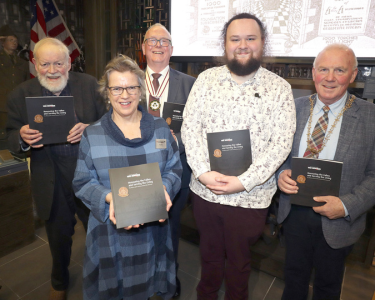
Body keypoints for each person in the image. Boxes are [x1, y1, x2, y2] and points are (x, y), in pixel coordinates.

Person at [181, 13, 296, 299]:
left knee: (240, 263)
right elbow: (190, 128)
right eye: (235, 39)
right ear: (225, 44)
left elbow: (281, 145)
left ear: (262, 43)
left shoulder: (280, 89)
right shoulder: (206, 80)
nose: (242, 45)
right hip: (206, 194)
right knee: (208, 258)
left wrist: (244, 182)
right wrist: (203, 173)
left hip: (251, 198)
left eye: (250, 38)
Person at [276, 43, 375, 300]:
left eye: (339, 70)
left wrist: (345, 205)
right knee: (293, 281)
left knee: (328, 288)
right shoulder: (291, 108)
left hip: (338, 219)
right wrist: (282, 174)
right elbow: (278, 155)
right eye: (323, 69)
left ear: (353, 75)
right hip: (294, 213)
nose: (329, 77)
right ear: (313, 73)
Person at [73, 55, 182, 300]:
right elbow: (81, 182)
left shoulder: (161, 128)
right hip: (109, 233)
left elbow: (174, 169)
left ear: (141, 91)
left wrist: (163, 189)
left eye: (131, 87)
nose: (125, 95)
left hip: (153, 229)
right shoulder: (93, 134)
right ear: (107, 92)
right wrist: (111, 198)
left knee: (148, 287)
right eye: (117, 88)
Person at [6, 37, 107, 300]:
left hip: (89, 176)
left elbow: (111, 119)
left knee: (99, 229)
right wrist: (21, 137)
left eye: (59, 63)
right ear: (34, 64)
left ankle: (104, 274)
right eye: (45, 64)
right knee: (59, 236)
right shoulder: (20, 94)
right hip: (51, 178)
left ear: (69, 63)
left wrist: (91, 129)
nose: (52, 70)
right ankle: (59, 280)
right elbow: (7, 135)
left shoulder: (90, 85)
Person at [141, 23, 196, 297]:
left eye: (164, 41)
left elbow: (198, 126)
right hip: (139, 171)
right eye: (152, 41)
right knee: (140, 230)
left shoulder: (190, 84)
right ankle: (144, 278)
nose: (159, 46)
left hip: (176, 172)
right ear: (143, 48)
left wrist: (178, 142)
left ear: (172, 49)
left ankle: (170, 281)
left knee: (171, 232)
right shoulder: (130, 82)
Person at [0, 25, 29, 129]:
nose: (14, 42)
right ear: (3, 43)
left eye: (16, 40)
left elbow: (27, 83)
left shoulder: (23, 62)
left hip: (18, 103)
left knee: (17, 131)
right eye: (11, 40)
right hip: (2, 103)